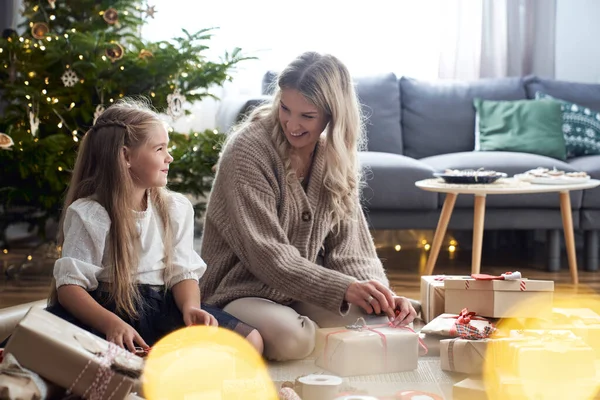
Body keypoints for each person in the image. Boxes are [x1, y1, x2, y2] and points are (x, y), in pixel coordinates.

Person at [200, 52, 417, 361]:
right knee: (294, 340)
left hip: (299, 293)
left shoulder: (334, 157)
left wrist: (380, 294)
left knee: (377, 318)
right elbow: (267, 256)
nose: (292, 123)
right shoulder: (247, 150)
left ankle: (331, 338)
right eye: (285, 109)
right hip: (239, 290)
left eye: (307, 115)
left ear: (332, 114)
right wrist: (343, 290)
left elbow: (352, 251)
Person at [41, 98, 263, 354]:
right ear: (125, 156)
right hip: (105, 312)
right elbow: (70, 288)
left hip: (163, 308)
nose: (169, 157)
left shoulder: (175, 208)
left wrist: (191, 307)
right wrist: (112, 323)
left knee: (250, 341)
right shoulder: (91, 214)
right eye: (159, 149)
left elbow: (182, 273)